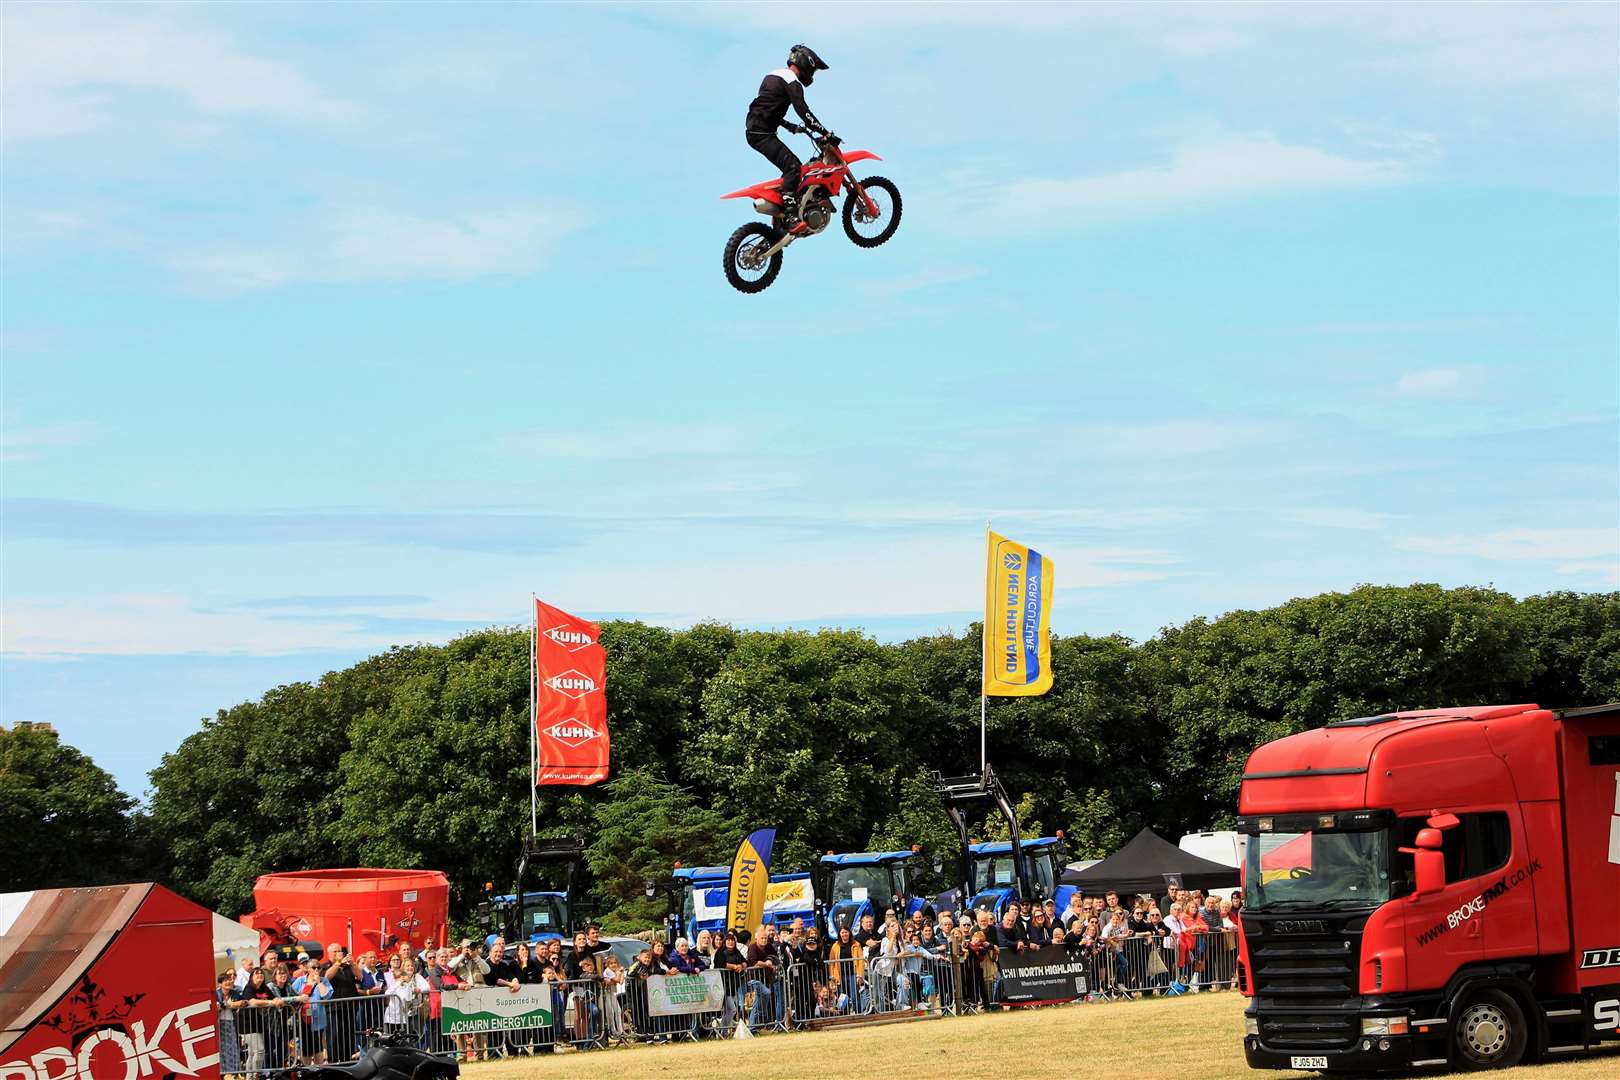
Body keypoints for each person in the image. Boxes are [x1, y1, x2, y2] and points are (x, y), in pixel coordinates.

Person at [744, 44, 831, 226]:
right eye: (812, 70)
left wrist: (790, 126)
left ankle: (785, 207)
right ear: (806, 64)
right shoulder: (792, 82)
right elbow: (803, 111)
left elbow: (768, 108)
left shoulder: (772, 76)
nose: (812, 75)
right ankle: (791, 216)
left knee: (791, 167)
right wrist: (824, 131)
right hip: (762, 134)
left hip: (756, 130)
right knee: (793, 167)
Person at [712, 931, 748, 1035]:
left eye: (732, 940)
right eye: (728, 940)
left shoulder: (736, 952)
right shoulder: (721, 952)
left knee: (728, 1010)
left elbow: (745, 961)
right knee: (732, 1009)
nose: (731, 942)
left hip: (733, 985)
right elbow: (720, 964)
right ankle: (723, 1031)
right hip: (723, 985)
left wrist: (742, 965)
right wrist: (734, 967)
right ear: (725, 942)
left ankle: (723, 1032)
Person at [216, 971, 244, 1080]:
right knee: (222, 1049)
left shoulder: (235, 993)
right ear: (220, 984)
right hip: (219, 1023)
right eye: (225, 981)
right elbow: (217, 1005)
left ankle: (234, 1072)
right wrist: (230, 1004)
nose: (228, 982)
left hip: (231, 1022)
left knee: (233, 1047)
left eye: (229, 980)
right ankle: (225, 1073)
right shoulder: (216, 993)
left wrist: (236, 1004)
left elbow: (243, 1001)